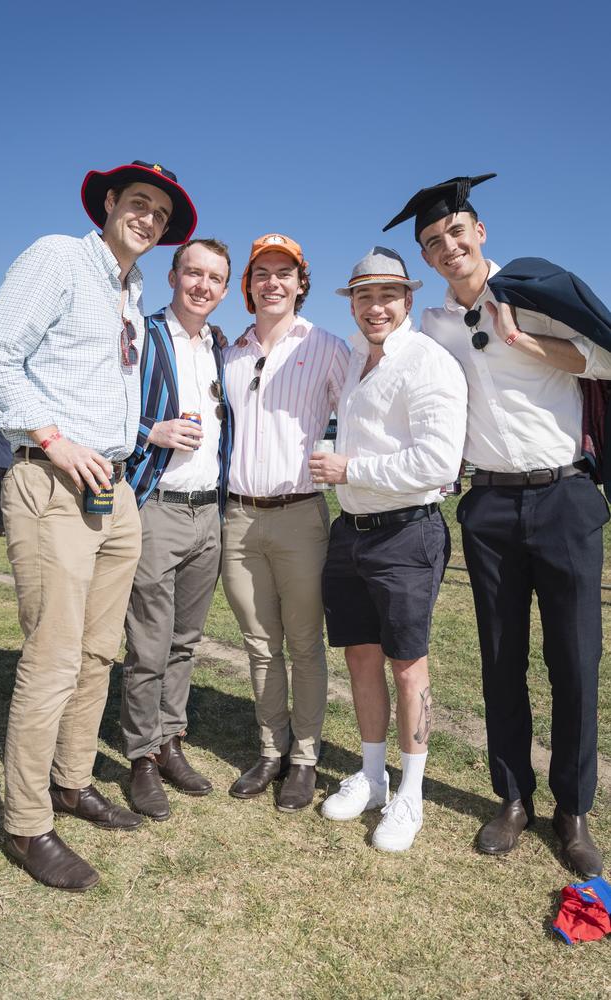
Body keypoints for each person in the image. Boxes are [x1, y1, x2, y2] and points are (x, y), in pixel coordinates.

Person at [0, 160, 197, 891]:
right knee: (54, 653)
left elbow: (103, 389)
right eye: (138, 203)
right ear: (108, 204)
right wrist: (51, 435)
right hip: (53, 475)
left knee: (101, 650)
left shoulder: (129, 293)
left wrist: (132, 438)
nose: (149, 219)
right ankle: (28, 821)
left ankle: (72, 781)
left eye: (160, 214)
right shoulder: (59, 257)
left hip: (115, 487)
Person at [383, 174, 611, 876]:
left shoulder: (535, 291)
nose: (448, 246)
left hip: (565, 496)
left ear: (479, 232)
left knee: (574, 661)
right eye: (432, 242)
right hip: (488, 506)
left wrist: (528, 341)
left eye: (456, 232)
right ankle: (513, 798)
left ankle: (572, 812)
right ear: (426, 259)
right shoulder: (433, 328)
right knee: (501, 659)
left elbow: (605, 359)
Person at [309, 247, 467, 851]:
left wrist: (351, 467)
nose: (375, 307)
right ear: (352, 302)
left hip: (407, 530)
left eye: (387, 295)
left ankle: (412, 793)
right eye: (363, 296)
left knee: (408, 664)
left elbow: (438, 462)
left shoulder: (427, 361)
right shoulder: (352, 358)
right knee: (360, 657)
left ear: (407, 299)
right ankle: (373, 778)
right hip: (352, 530)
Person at [222, 233, 349, 812]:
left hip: (299, 514)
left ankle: (304, 758)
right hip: (238, 518)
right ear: (248, 286)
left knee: (303, 644)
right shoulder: (230, 352)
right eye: (261, 273)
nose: (272, 282)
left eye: (284, 273)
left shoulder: (326, 345)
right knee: (258, 643)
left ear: (301, 283)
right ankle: (270, 751)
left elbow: (362, 409)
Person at [122, 238, 231, 820]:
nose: (203, 286)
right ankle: (140, 755)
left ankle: (170, 742)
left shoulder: (220, 345)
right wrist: (150, 433)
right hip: (157, 505)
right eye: (194, 273)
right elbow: (106, 403)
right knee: (148, 643)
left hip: (207, 511)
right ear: (173, 275)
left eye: (215, 278)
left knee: (186, 640)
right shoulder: (142, 334)